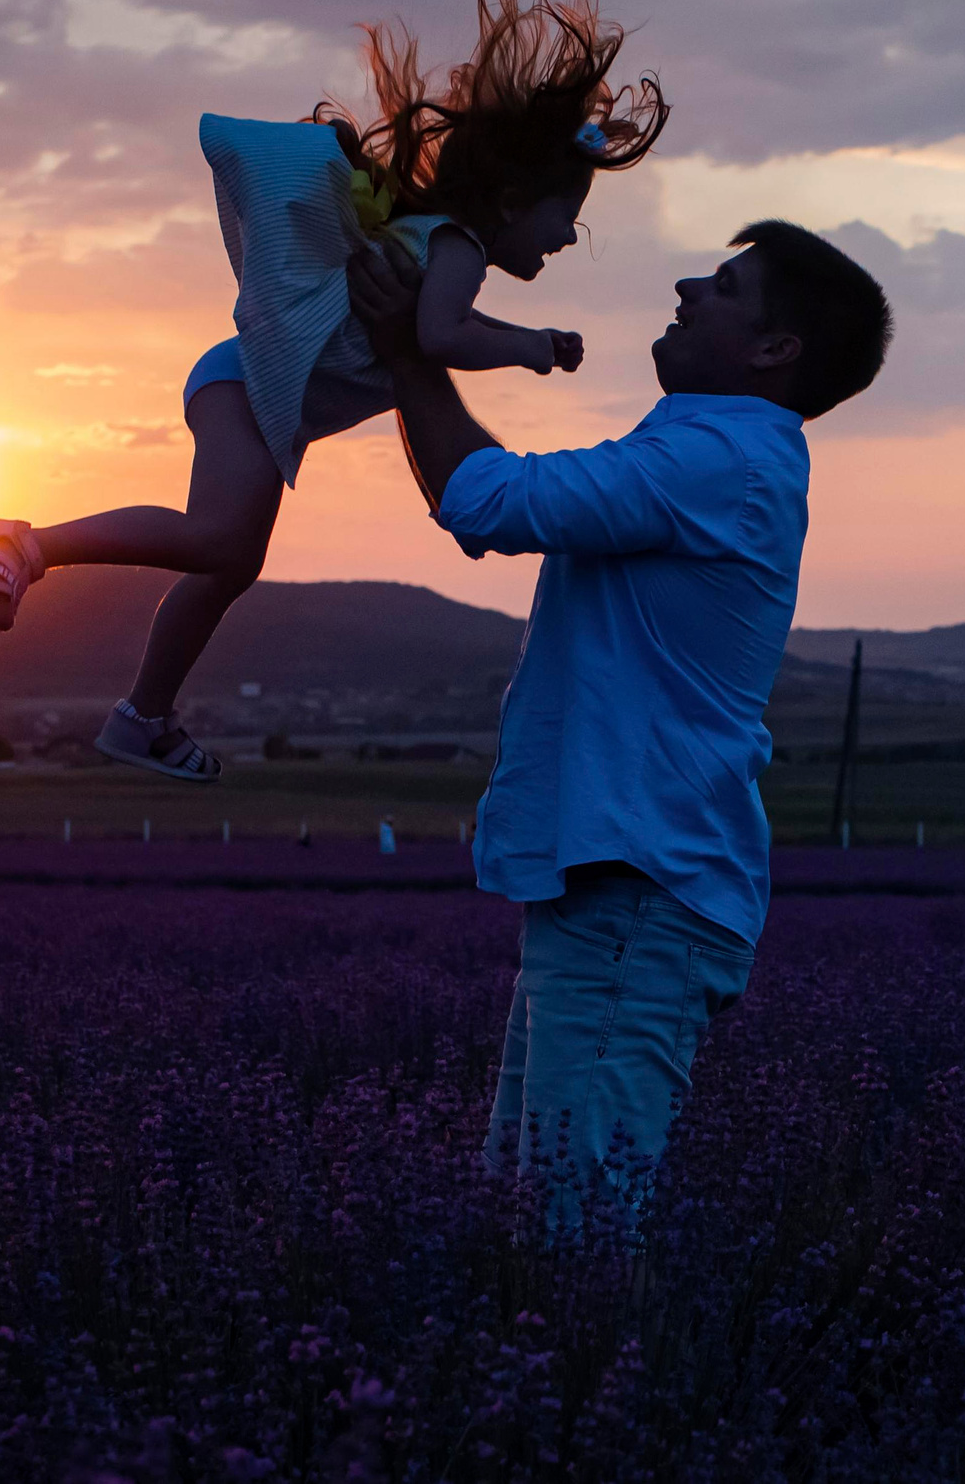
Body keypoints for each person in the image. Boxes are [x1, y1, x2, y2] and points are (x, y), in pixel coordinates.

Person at [0, 0, 669, 782]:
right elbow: (442, 337)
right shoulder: (457, 247)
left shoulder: (442, 248)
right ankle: (23, 543)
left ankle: (142, 716)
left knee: (228, 559)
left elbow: (439, 324)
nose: (565, 237)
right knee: (220, 540)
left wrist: (513, 337)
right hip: (243, 383)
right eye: (565, 217)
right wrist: (533, 347)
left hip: (241, 382)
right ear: (513, 201)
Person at [346, 217, 892, 1220]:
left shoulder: (721, 456)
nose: (687, 287)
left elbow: (488, 501)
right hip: (621, 889)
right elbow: (492, 505)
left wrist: (404, 349)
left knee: (571, 1232)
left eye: (726, 288)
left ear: (776, 350)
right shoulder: (703, 448)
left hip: (638, 892)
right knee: (531, 1215)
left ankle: (619, 1380)